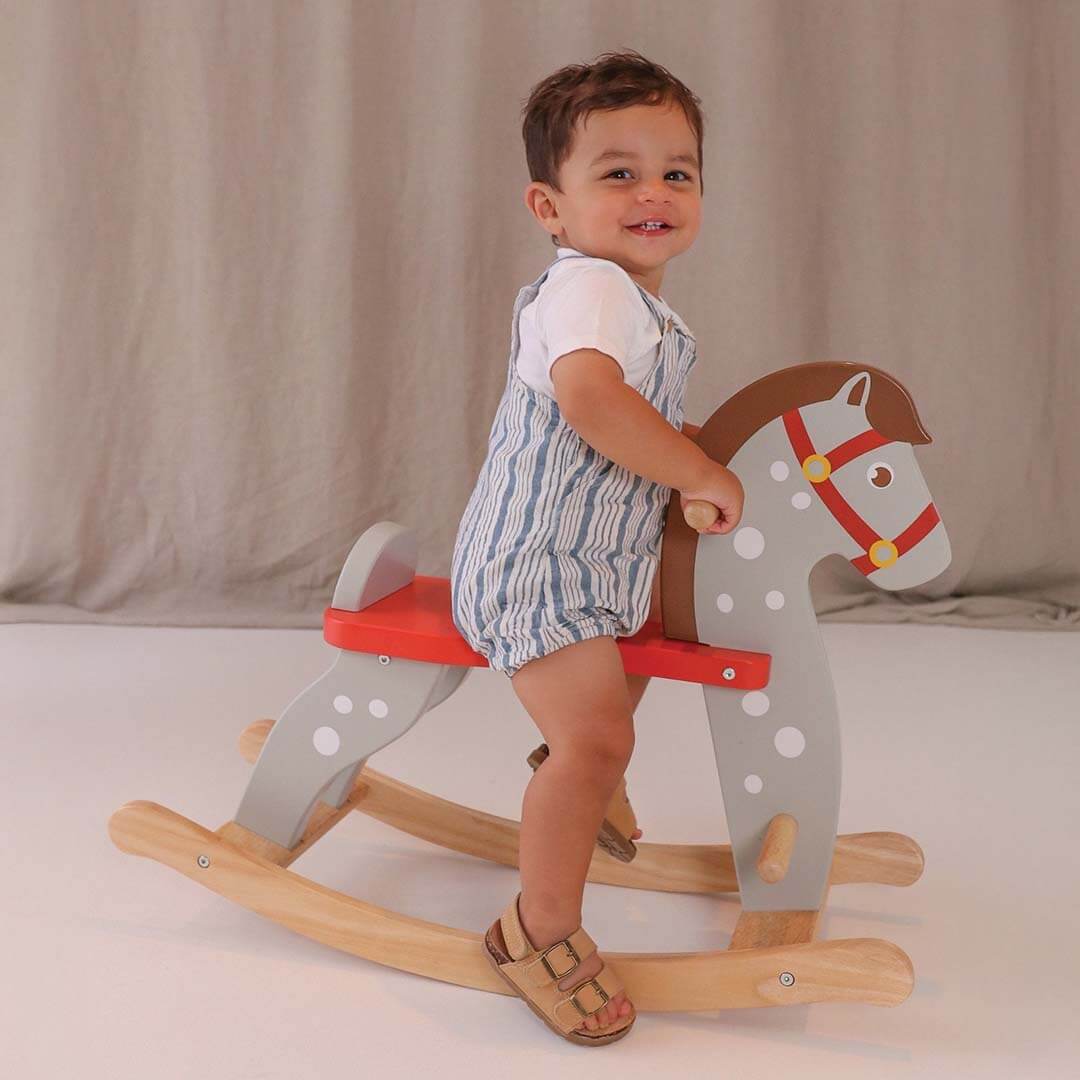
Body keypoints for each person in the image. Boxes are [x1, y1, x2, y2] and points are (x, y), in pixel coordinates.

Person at [450, 50, 744, 1045]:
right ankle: (536, 932)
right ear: (551, 205)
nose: (652, 191)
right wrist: (696, 474)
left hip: (590, 568)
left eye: (677, 171)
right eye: (617, 173)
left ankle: (578, 774)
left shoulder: (634, 302)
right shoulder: (593, 293)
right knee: (599, 734)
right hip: (535, 571)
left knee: (658, 634)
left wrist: (686, 449)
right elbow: (589, 401)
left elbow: (628, 413)